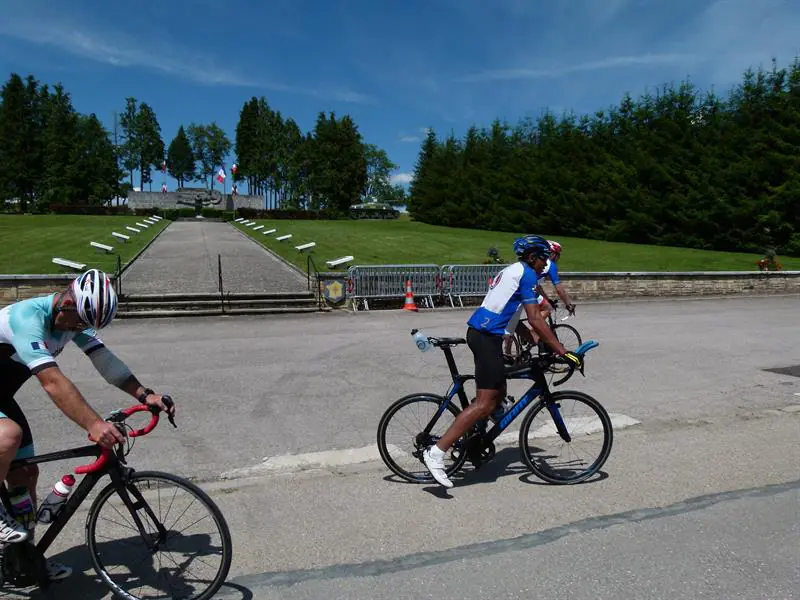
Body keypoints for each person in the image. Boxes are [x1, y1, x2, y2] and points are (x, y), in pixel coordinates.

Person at [0, 269, 176, 580]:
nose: (82, 328)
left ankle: (22, 561)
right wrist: (94, 423)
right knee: (8, 436)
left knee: (25, 474)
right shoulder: (26, 319)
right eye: (81, 320)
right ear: (67, 302)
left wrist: (144, 393)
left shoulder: (74, 319)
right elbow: (52, 382)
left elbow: (104, 360)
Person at [423, 236, 583, 488]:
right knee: (485, 403)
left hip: (486, 334)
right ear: (532, 257)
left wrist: (532, 339)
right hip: (486, 336)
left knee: (498, 391)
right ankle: (436, 452)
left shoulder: (514, 270)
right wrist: (562, 350)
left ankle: (474, 437)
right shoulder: (528, 275)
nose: (546, 263)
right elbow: (536, 319)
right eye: (543, 258)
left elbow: (513, 316)